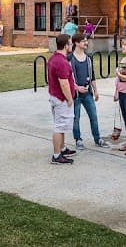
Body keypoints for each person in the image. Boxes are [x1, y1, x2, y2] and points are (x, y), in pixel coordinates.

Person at [68, 33, 110, 150]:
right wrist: (76, 87)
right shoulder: (69, 59)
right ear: (76, 43)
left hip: (87, 94)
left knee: (94, 116)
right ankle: (78, 140)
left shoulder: (88, 58)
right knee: (76, 118)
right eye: (83, 41)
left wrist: (96, 91)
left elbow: (92, 76)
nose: (86, 43)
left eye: (86, 41)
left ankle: (98, 139)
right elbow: (66, 78)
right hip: (75, 95)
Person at [48, 34, 77, 165]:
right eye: (70, 44)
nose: (72, 46)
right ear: (66, 46)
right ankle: (56, 155)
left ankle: (62, 148)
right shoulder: (62, 62)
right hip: (61, 99)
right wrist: (70, 99)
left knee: (62, 125)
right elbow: (64, 83)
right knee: (59, 127)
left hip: (54, 96)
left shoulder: (54, 58)